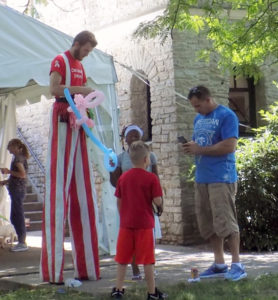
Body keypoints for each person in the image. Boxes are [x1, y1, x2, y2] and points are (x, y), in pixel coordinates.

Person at [40, 31, 100, 284]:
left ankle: (86, 268)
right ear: (76, 44)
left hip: (78, 124)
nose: (87, 54)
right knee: (58, 193)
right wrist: (81, 89)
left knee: (83, 195)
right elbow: (54, 89)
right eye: (85, 49)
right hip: (63, 120)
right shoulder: (60, 61)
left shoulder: (80, 67)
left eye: (89, 51)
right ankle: (53, 272)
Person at [182, 85, 247, 281]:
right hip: (203, 177)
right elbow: (199, 143)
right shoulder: (198, 119)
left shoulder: (227, 116)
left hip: (222, 177)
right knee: (209, 222)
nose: (196, 110)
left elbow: (230, 145)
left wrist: (200, 149)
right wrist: (191, 148)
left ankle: (237, 265)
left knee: (226, 220)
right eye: (194, 106)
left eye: (198, 105)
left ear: (208, 100)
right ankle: (219, 263)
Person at [111, 141, 166, 300]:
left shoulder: (123, 178)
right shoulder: (151, 178)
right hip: (144, 225)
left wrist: (123, 216)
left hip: (126, 225)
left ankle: (118, 290)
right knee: (148, 261)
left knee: (122, 259)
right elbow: (157, 200)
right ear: (146, 159)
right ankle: (152, 292)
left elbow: (119, 200)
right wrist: (161, 202)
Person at [0, 139, 30, 252]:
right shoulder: (20, 157)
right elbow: (18, 176)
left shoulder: (18, 159)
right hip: (16, 189)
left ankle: (22, 241)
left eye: (9, 146)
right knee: (14, 216)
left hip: (18, 190)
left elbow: (22, 174)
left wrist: (8, 171)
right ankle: (21, 240)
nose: (8, 149)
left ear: (15, 146)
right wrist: (5, 182)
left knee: (18, 215)